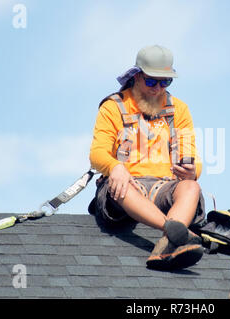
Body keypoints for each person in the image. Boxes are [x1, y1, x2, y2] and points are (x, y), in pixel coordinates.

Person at [88, 45, 205, 270]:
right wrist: (115, 167)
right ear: (136, 76)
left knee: (191, 187)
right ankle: (175, 231)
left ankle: (165, 246)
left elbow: (191, 155)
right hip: (128, 186)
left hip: (164, 187)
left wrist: (193, 170)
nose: (158, 89)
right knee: (121, 186)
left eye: (165, 82)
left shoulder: (179, 110)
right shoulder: (113, 107)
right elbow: (97, 154)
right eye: (152, 81)